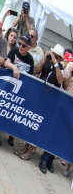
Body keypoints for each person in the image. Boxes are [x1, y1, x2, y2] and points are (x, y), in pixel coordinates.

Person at [37, 44, 65, 174]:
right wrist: (45, 60)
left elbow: (60, 80)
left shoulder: (60, 69)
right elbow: (36, 70)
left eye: (57, 56)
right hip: (45, 101)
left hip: (55, 106)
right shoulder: (48, 64)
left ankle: (46, 160)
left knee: (53, 133)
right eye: (54, 55)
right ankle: (42, 156)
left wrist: (55, 63)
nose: (54, 58)